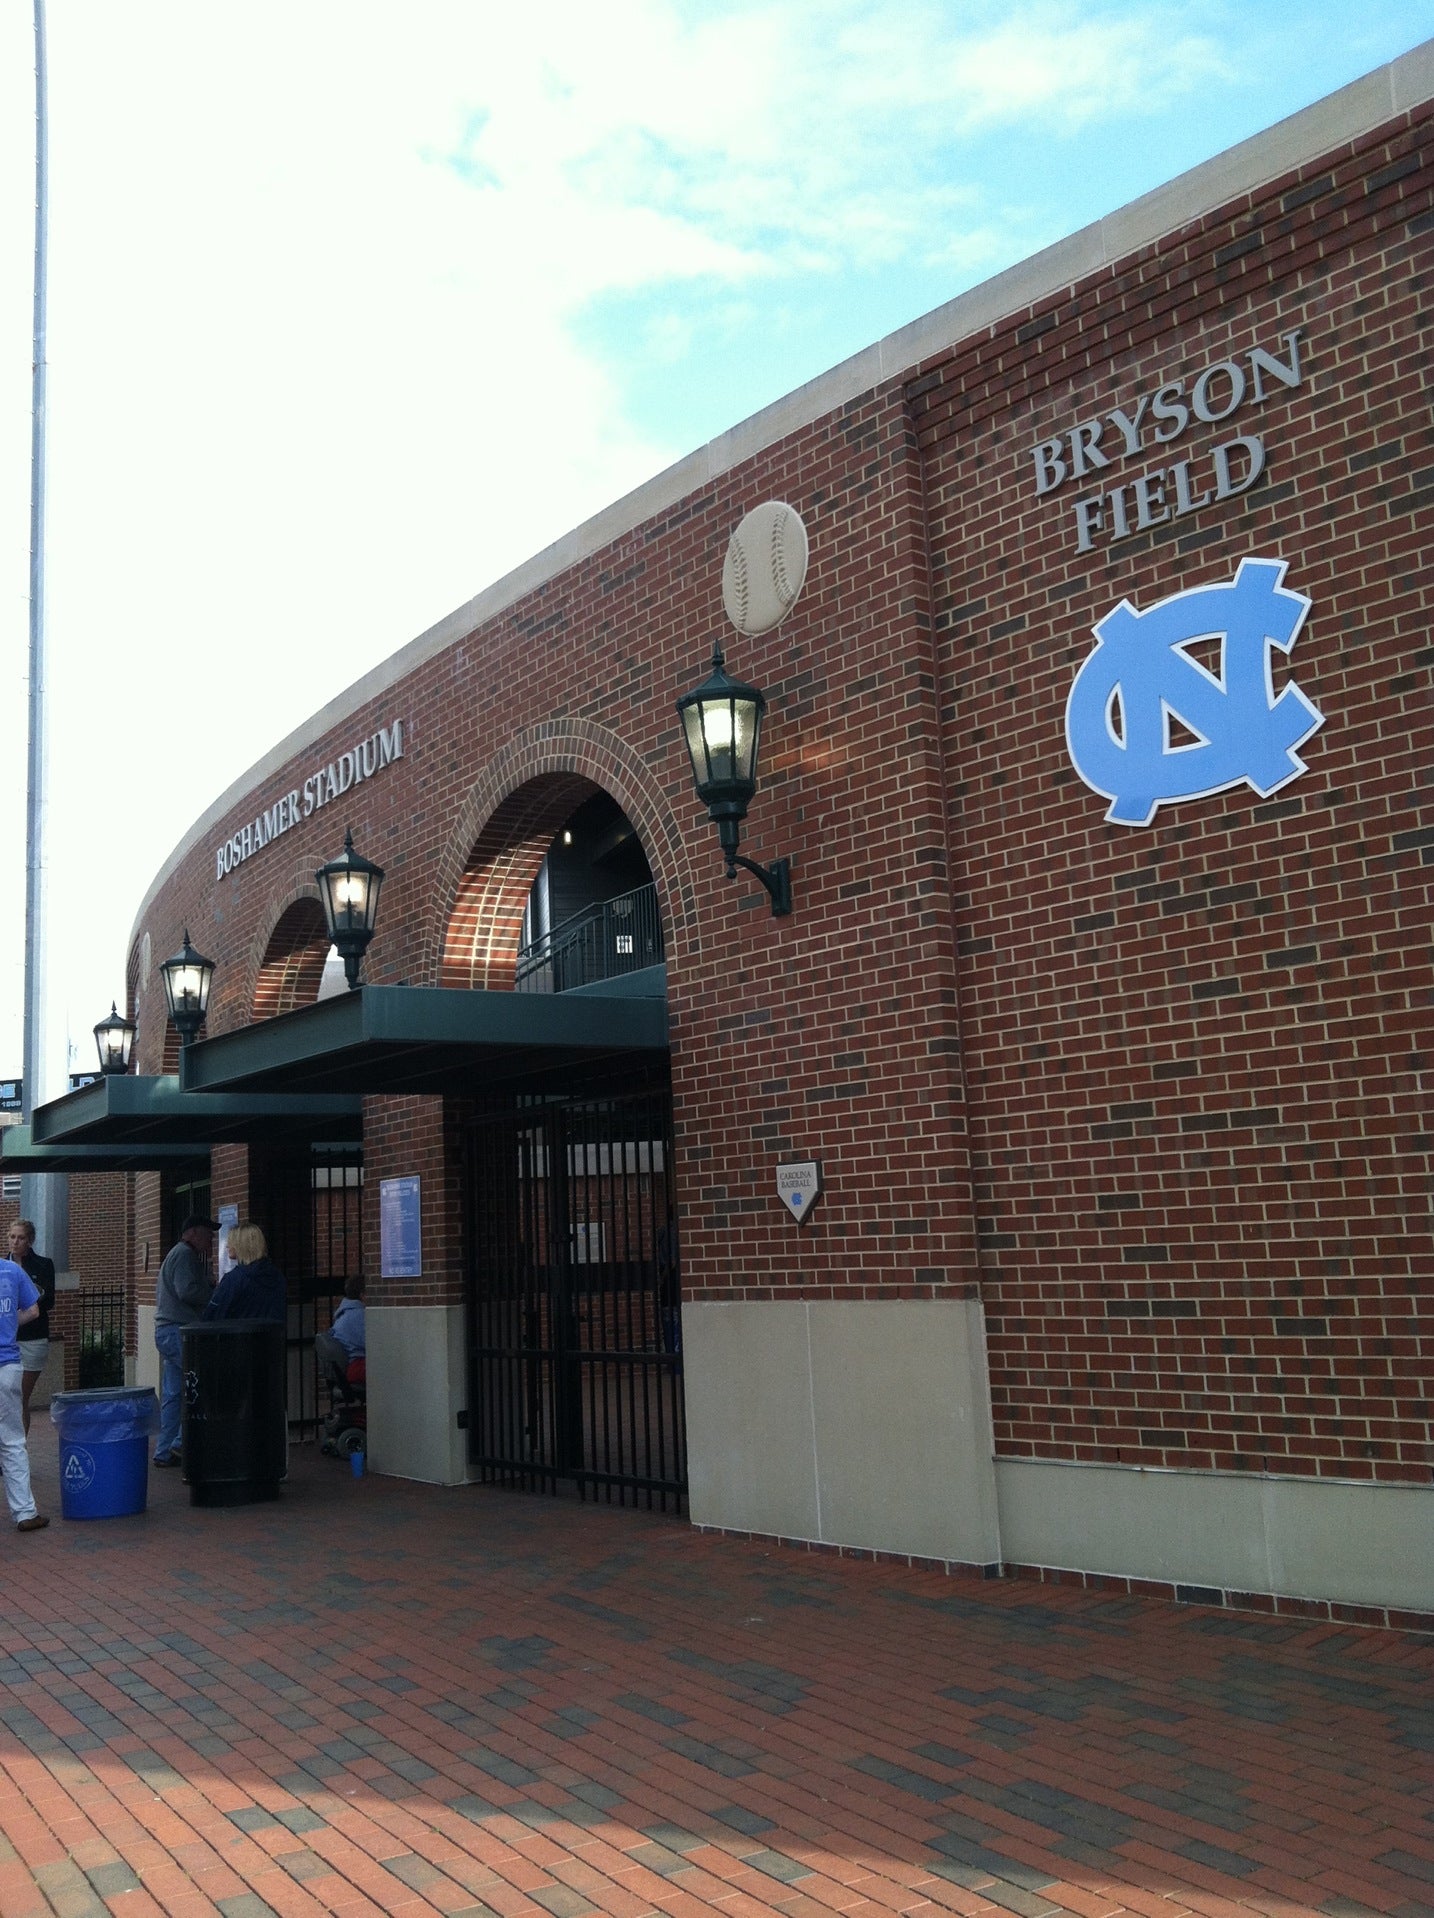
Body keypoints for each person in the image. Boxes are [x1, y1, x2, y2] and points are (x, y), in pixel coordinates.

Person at [153, 1214, 217, 1466]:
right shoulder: (185, 1255)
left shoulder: (178, 1254)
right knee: (199, 1383)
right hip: (180, 1331)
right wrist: (212, 1290)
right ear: (191, 1233)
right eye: (207, 1233)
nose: (211, 1239)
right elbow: (187, 1291)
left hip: (167, 1331)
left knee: (173, 1393)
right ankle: (180, 1443)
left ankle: (164, 1450)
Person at [0, 1252, 49, 1530]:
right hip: (7, 1365)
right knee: (12, 1442)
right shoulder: (12, 1271)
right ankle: (26, 1513)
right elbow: (33, 1310)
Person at [8, 1219, 56, 1436]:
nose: (15, 1242)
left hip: (33, 1339)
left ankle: (17, 1451)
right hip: (7, 1340)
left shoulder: (43, 1265)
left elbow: (47, 1300)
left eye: (21, 1238)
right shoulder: (2, 1267)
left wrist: (25, 1301)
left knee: (19, 1397)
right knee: (6, 1399)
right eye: (12, 1237)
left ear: (30, 1241)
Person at [203, 1222, 286, 1322]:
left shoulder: (233, 1279)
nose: (227, 1246)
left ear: (240, 1245)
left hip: (237, 1335)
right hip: (270, 1336)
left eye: (231, 1241)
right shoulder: (277, 1276)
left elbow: (212, 1315)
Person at [329, 1274, 366, 1385]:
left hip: (352, 1366)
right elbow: (375, 1344)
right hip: (360, 1366)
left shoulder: (344, 1314)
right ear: (363, 1295)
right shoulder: (359, 1316)